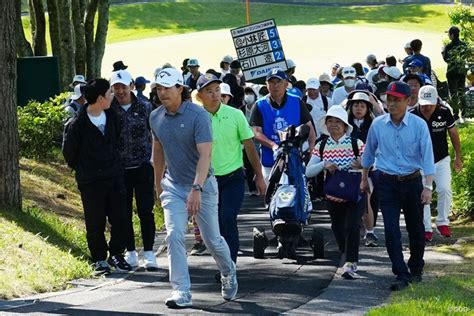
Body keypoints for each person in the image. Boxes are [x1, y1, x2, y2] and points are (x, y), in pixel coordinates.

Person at [149, 68, 238, 308]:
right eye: (159, 88)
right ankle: (181, 291)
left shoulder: (198, 116)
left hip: (203, 185)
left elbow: (205, 155)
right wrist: (158, 185)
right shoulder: (155, 116)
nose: (162, 92)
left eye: (167, 88)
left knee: (212, 240)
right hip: (173, 186)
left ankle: (228, 271)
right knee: (174, 234)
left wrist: (197, 188)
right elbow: (158, 152)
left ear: (180, 88)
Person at [361, 81, 435, 291]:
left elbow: (428, 157)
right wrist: (364, 178)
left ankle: (416, 267)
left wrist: (427, 187)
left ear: (408, 101)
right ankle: (401, 273)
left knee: (416, 229)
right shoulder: (377, 125)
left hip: (412, 181)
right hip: (387, 182)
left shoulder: (419, 125)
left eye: (396, 100)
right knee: (391, 230)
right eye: (388, 99)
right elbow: (368, 154)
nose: (391, 103)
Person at [62, 78, 132, 275]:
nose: (113, 96)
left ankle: (117, 254)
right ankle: (99, 258)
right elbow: (69, 153)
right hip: (91, 181)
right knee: (95, 222)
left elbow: (119, 141)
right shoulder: (77, 124)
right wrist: (84, 168)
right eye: (109, 93)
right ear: (101, 98)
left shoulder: (113, 117)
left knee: (120, 218)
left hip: (114, 176)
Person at [196, 74, 266, 263]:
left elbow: (250, 147)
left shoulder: (235, 115)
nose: (215, 95)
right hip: (208, 181)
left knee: (228, 218)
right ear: (200, 95)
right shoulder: (197, 117)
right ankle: (223, 264)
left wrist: (259, 176)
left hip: (233, 177)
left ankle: (230, 266)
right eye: (209, 91)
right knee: (215, 225)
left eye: (217, 90)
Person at [306, 105, 366, 279]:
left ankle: (351, 262)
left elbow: (373, 163)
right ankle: (345, 252)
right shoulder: (322, 145)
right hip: (334, 193)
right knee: (338, 227)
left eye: (338, 121)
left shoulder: (357, 143)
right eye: (330, 121)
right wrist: (324, 164)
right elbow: (309, 171)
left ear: (345, 125)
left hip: (355, 190)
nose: (333, 125)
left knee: (353, 225)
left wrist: (363, 164)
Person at [109, 70, 158, 271]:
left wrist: (156, 161)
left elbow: (155, 134)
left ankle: (149, 252)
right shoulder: (109, 109)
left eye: (123, 86)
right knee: (123, 212)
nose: (120, 91)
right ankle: (130, 252)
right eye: (116, 87)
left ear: (131, 86)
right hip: (120, 170)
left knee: (146, 210)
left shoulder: (145, 106)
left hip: (143, 166)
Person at [410, 85, 463, 241]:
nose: (427, 107)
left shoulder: (444, 112)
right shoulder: (412, 115)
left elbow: (453, 133)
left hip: (441, 158)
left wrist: (458, 156)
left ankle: (442, 222)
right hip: (419, 161)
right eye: (424, 104)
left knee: (445, 189)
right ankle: (426, 227)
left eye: (430, 104)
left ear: (436, 102)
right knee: (423, 194)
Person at [250, 69, 316, 182]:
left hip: (294, 160)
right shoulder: (259, 105)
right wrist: (273, 145)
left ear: (286, 83)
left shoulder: (297, 102)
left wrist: (312, 150)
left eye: (279, 82)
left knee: (295, 196)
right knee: (272, 198)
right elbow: (256, 133)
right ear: (266, 84)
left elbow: (309, 129)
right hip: (269, 162)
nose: (275, 85)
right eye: (272, 82)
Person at [346, 92, 378, 247]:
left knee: (365, 197)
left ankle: (370, 232)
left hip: (370, 171)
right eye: (355, 105)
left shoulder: (374, 126)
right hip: (347, 170)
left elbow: (379, 150)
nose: (358, 108)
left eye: (362, 105)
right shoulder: (344, 125)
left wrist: (365, 164)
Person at [442, 26, 469, 120]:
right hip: (461, 72)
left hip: (452, 72)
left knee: (453, 93)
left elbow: (446, 59)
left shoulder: (449, 46)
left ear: (452, 35)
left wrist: (443, 52)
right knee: (461, 92)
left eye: (449, 34)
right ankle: (464, 113)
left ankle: (456, 114)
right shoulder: (464, 45)